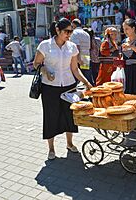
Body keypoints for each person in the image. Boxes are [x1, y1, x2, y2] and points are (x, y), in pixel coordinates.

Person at [33, 18, 93, 160]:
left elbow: (75, 69)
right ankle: (51, 149)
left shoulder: (72, 47)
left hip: (69, 86)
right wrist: (45, 70)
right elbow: (36, 63)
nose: (69, 34)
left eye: (71, 31)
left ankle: (69, 143)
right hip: (50, 88)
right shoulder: (45, 45)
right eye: (66, 31)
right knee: (51, 116)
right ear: (58, 30)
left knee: (69, 116)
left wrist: (87, 83)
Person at [70, 19, 93, 85]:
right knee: (87, 76)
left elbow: (76, 47)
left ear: (73, 25)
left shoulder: (74, 33)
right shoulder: (86, 33)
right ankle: (91, 90)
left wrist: (78, 59)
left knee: (76, 76)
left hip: (78, 57)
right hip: (86, 56)